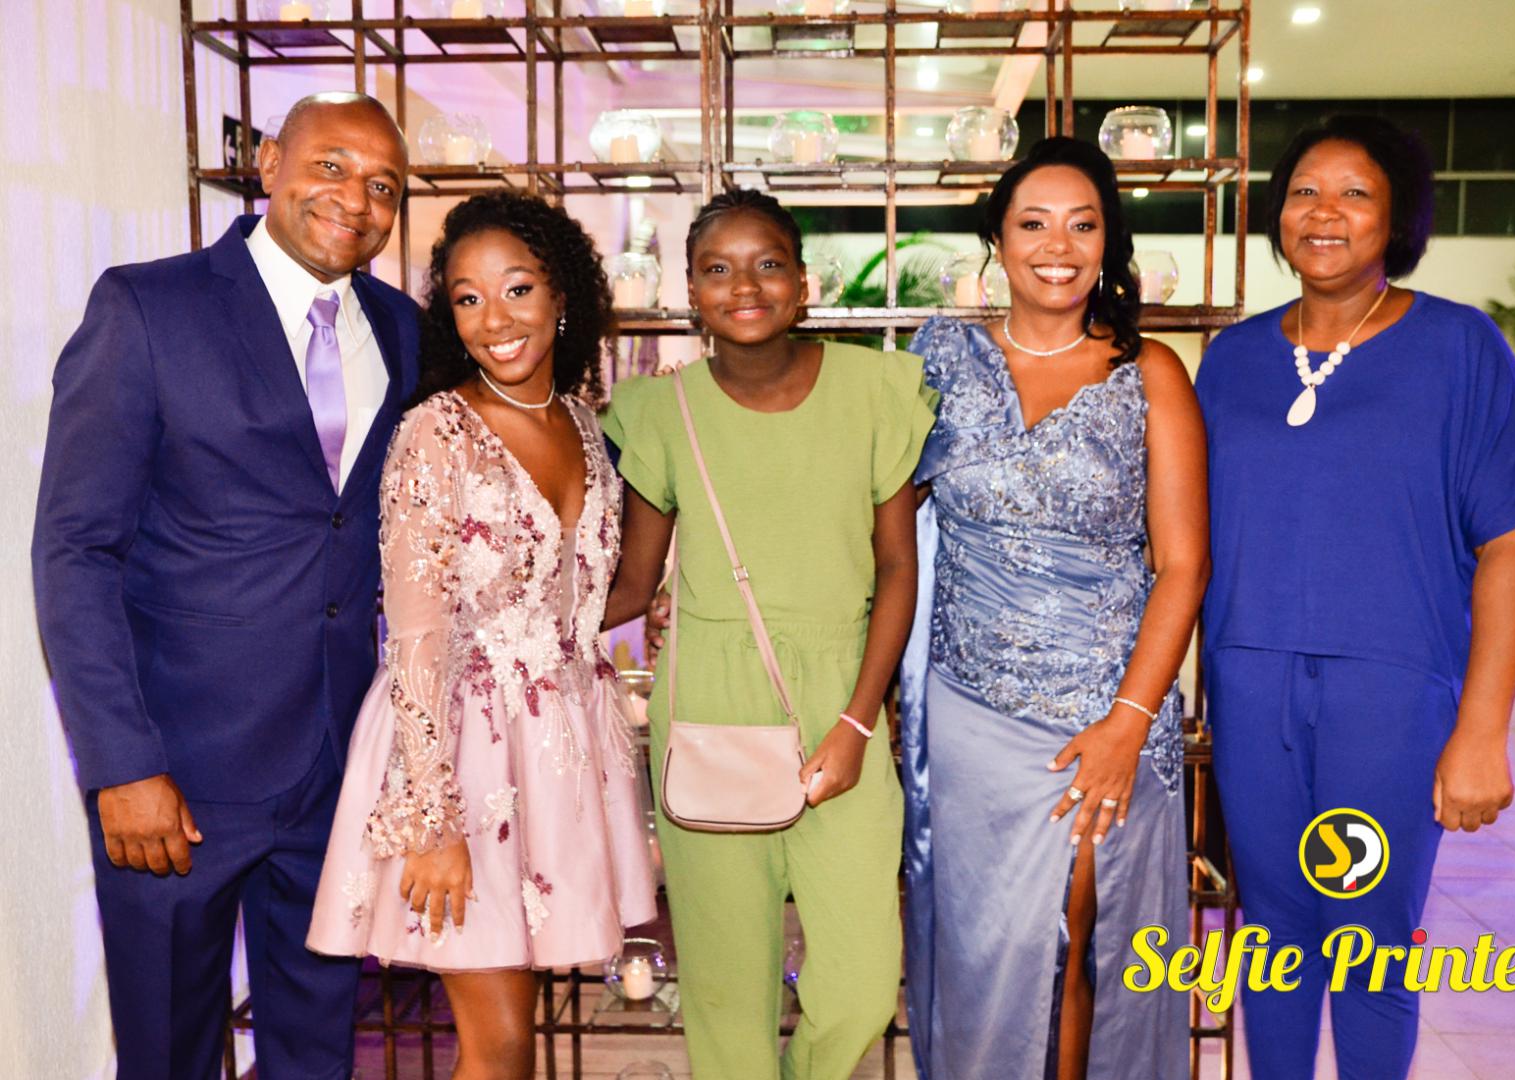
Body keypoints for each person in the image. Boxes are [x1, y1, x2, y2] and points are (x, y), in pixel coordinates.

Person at [32, 92, 419, 1078]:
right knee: (170, 1052)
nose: (357, 200)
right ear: (270, 162)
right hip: (176, 777)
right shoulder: (148, 308)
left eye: (384, 186)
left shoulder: (403, 330)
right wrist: (120, 763)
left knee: (318, 1053)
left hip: (336, 770)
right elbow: (76, 549)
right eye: (332, 166)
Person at [1194, 115, 1515, 1079]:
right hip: (1250, 684)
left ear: (1398, 218)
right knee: (1271, 937)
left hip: (1390, 697)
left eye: (1355, 193)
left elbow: (1511, 547)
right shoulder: (1233, 359)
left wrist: (1482, 730)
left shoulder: (1462, 349)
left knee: (1370, 943)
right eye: (1304, 192)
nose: (1325, 212)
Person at [307, 191, 655, 1078]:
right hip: (462, 759)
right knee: (498, 1049)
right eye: (468, 298)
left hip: (561, 758)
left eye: (517, 289)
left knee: (510, 1047)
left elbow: (576, 599)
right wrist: (433, 822)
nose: (494, 319)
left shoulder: (584, 425)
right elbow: (415, 635)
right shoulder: (436, 433)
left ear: (561, 295)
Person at [599, 189, 937, 1080]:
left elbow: (897, 570)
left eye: (767, 264)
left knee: (863, 986)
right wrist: (506, 622)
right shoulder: (660, 412)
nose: (743, 286)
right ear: (690, 291)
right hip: (708, 701)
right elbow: (632, 582)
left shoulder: (876, 390)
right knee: (726, 999)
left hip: (841, 697)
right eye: (717, 269)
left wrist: (859, 720)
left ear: (803, 281)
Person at [899, 136, 1208, 1080]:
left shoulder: (1150, 372)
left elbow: (1184, 566)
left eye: (1083, 224)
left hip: (1106, 714)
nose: (1058, 246)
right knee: (986, 950)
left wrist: (1127, 722)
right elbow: (881, 521)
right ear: (997, 238)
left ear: (1109, 241)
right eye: (1033, 223)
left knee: (1079, 942)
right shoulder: (937, 360)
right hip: (968, 712)